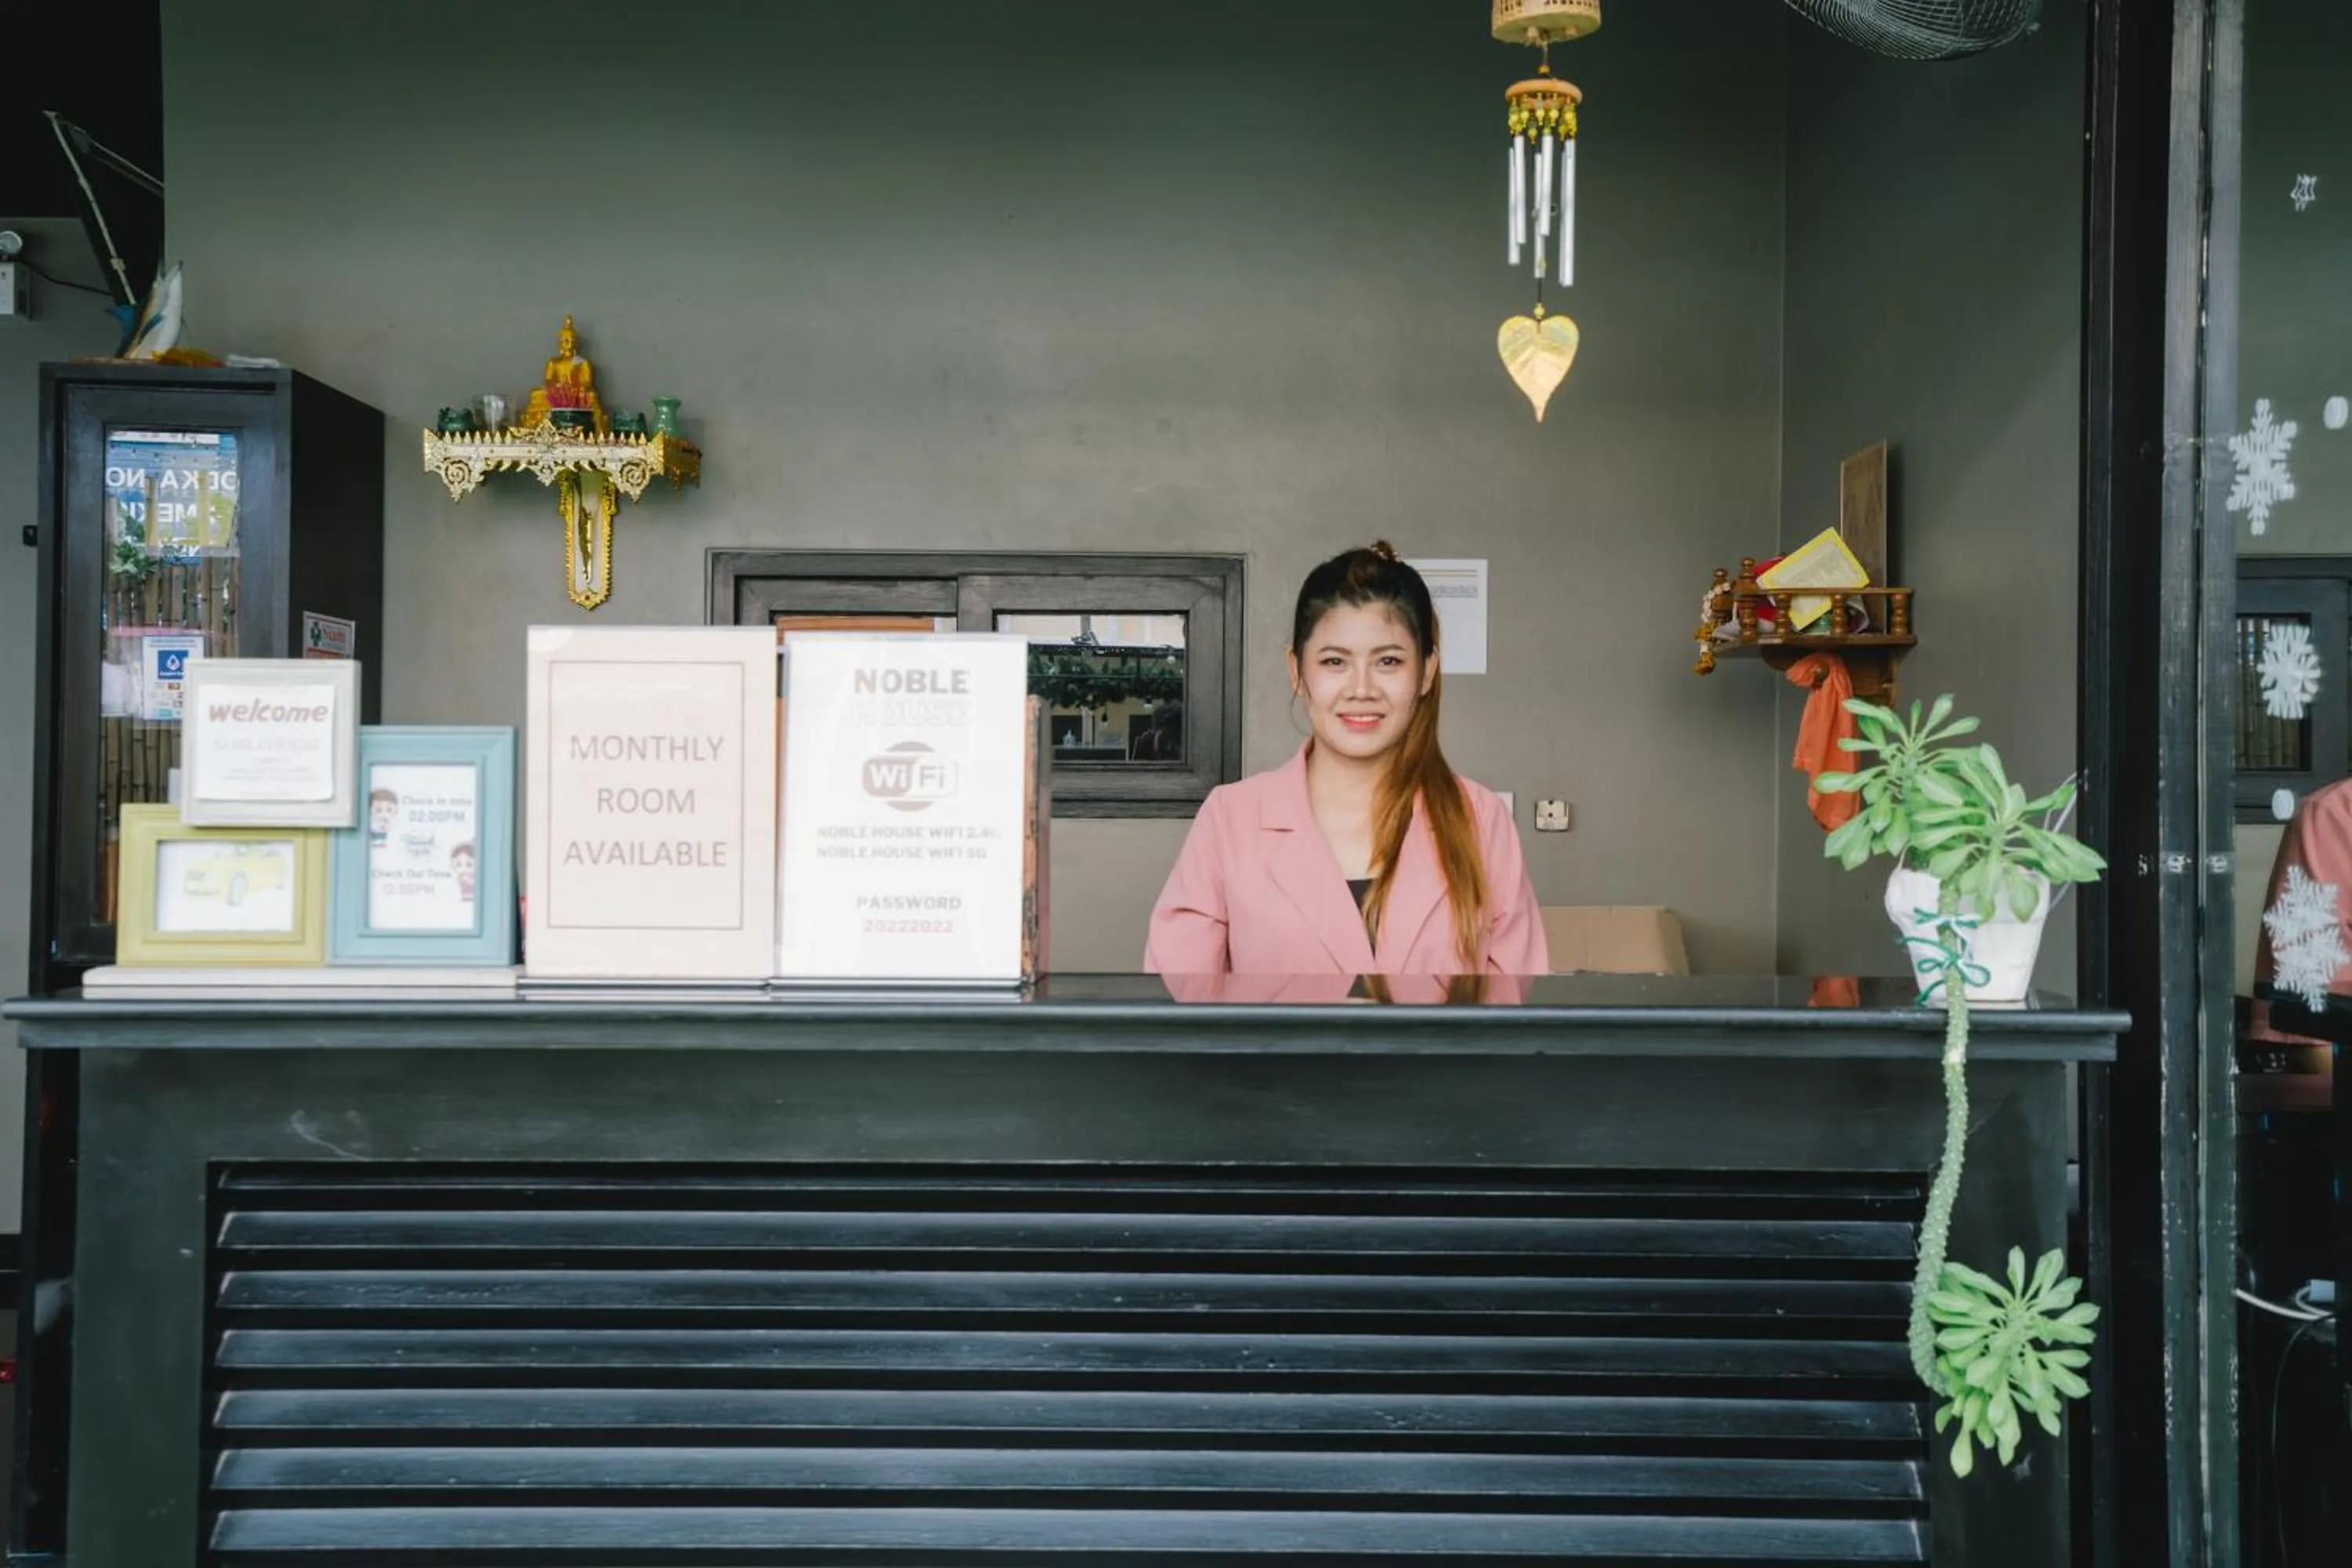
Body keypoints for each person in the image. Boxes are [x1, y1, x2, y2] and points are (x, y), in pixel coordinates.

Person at [1145, 542, 1548, 976]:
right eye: (1335, 661)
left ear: (1427, 672)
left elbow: (1517, 1005)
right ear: (1297, 671)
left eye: (1388, 661)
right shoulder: (1230, 819)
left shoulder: (1480, 819)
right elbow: (1179, 1002)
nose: (1361, 689)